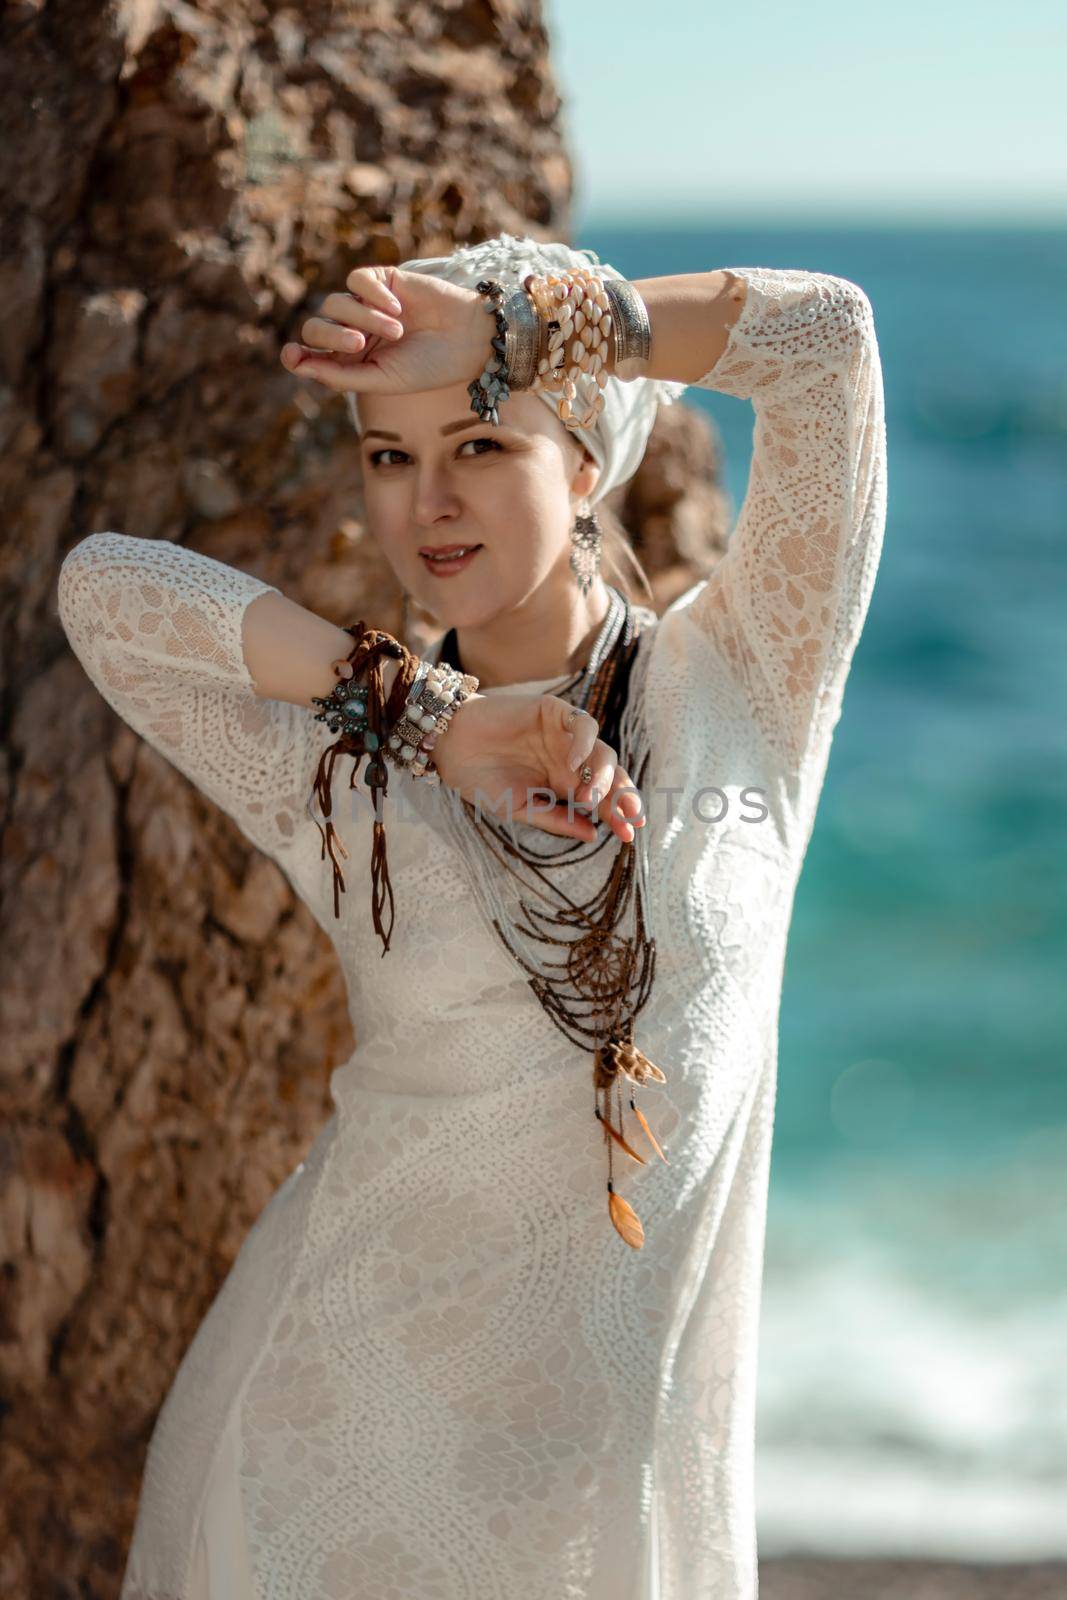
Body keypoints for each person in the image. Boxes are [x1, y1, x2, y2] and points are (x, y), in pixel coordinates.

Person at [55, 231, 887, 1599]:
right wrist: (428, 721)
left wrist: (519, 329)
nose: (428, 501)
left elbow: (826, 342)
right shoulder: (349, 767)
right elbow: (107, 593)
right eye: (390, 457)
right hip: (322, 1477)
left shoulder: (748, 689)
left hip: (608, 1517)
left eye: (483, 444)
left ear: (584, 461)